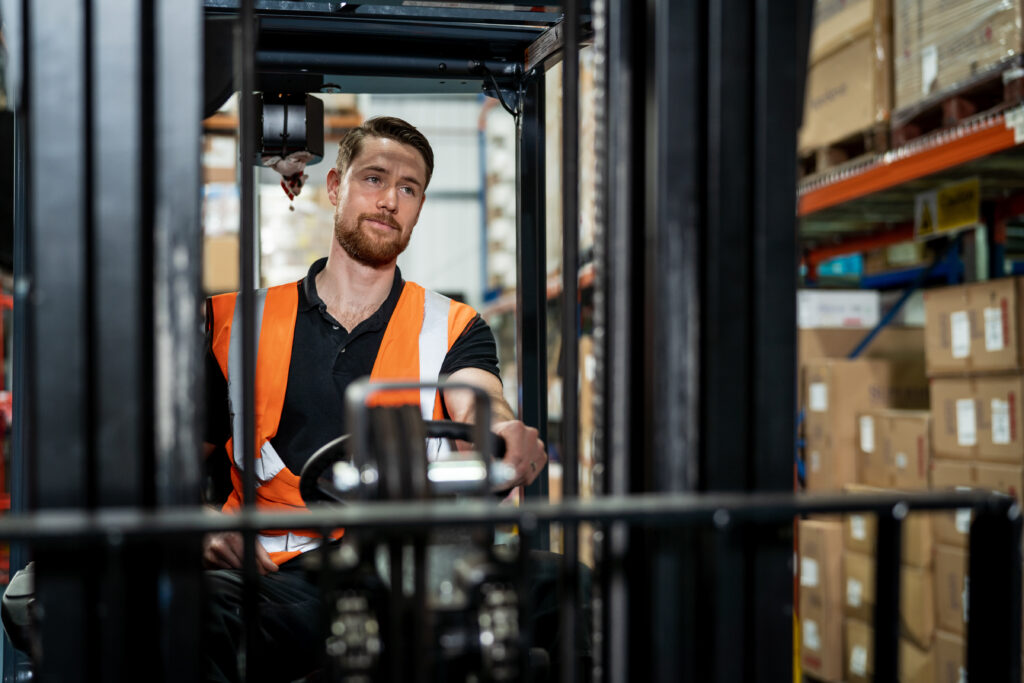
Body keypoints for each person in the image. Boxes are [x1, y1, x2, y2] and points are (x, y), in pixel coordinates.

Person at [200, 116, 549, 682]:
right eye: (374, 179)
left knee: (565, 591)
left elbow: (479, 400)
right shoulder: (234, 322)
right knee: (184, 614)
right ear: (335, 186)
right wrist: (200, 522)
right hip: (273, 579)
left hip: (412, 574)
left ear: (419, 206)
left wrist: (505, 432)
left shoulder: (453, 324)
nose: (389, 200)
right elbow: (166, 468)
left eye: (408, 189)